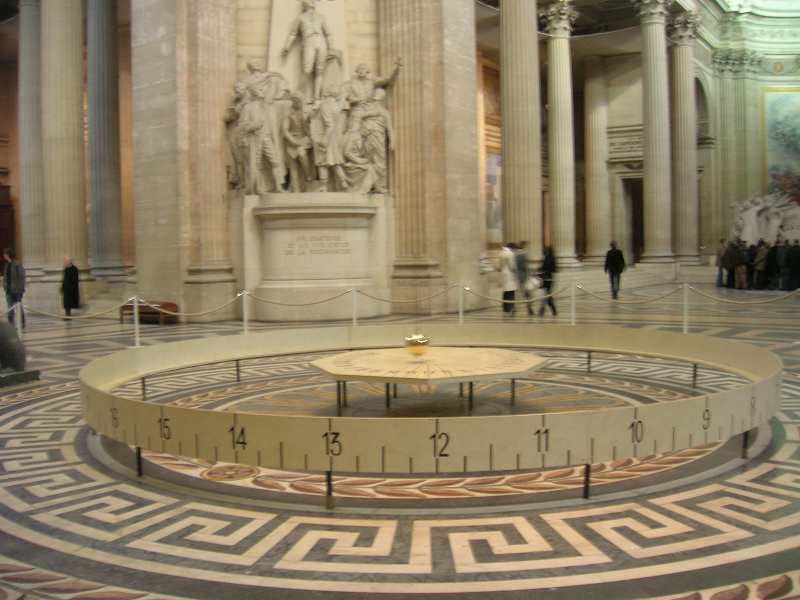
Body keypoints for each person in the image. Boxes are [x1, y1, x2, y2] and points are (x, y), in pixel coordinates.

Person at [280, 0, 333, 100]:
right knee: (307, 69)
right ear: (304, 4)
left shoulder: (321, 17)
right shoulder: (300, 17)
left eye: (312, 1)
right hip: (308, 41)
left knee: (320, 70)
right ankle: (301, 95)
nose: (312, 2)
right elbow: (293, 34)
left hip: (321, 41)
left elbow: (328, 34)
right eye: (309, 1)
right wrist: (287, 47)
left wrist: (331, 48)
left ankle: (316, 97)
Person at [2, 248, 25, 327]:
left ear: (8, 254)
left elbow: (22, 277)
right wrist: (4, 286)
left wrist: (20, 289)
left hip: (17, 290)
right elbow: (5, 277)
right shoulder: (6, 265)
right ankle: (10, 324)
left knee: (19, 307)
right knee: (10, 307)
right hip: (8, 290)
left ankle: (22, 322)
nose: (4, 255)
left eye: (5, 254)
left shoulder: (17, 264)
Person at [515, 241, 534, 316]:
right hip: (524, 277)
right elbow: (525, 267)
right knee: (528, 294)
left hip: (518, 276)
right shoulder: (524, 255)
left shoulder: (515, 254)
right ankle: (529, 308)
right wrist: (530, 274)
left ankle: (515, 309)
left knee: (523, 294)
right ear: (524, 246)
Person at [538, 246, 558, 317]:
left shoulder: (545, 258)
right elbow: (554, 270)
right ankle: (552, 310)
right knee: (548, 294)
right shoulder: (553, 258)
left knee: (546, 295)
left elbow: (542, 268)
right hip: (550, 278)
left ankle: (542, 310)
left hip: (545, 278)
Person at [499, 242, 517, 316]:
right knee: (511, 292)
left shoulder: (501, 253)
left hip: (503, 274)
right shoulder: (510, 254)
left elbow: (500, 266)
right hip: (509, 274)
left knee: (505, 292)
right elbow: (512, 266)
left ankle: (505, 308)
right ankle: (511, 308)